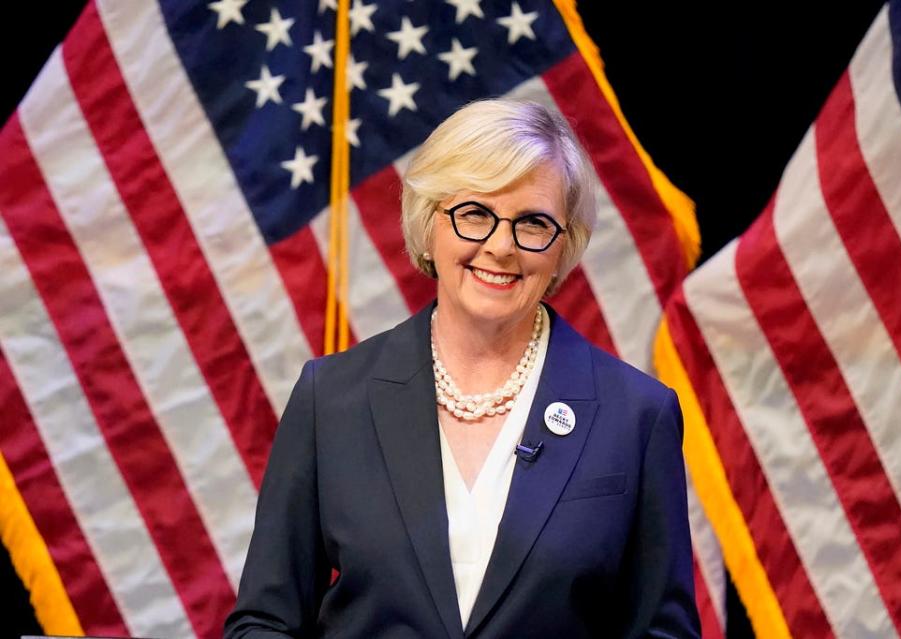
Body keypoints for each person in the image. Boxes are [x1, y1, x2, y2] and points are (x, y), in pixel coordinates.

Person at [225, 99, 700, 638]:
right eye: (475, 213)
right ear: (430, 224)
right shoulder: (331, 397)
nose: (500, 247)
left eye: (533, 223)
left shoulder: (636, 416)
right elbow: (264, 622)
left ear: (563, 245)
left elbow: (664, 632)